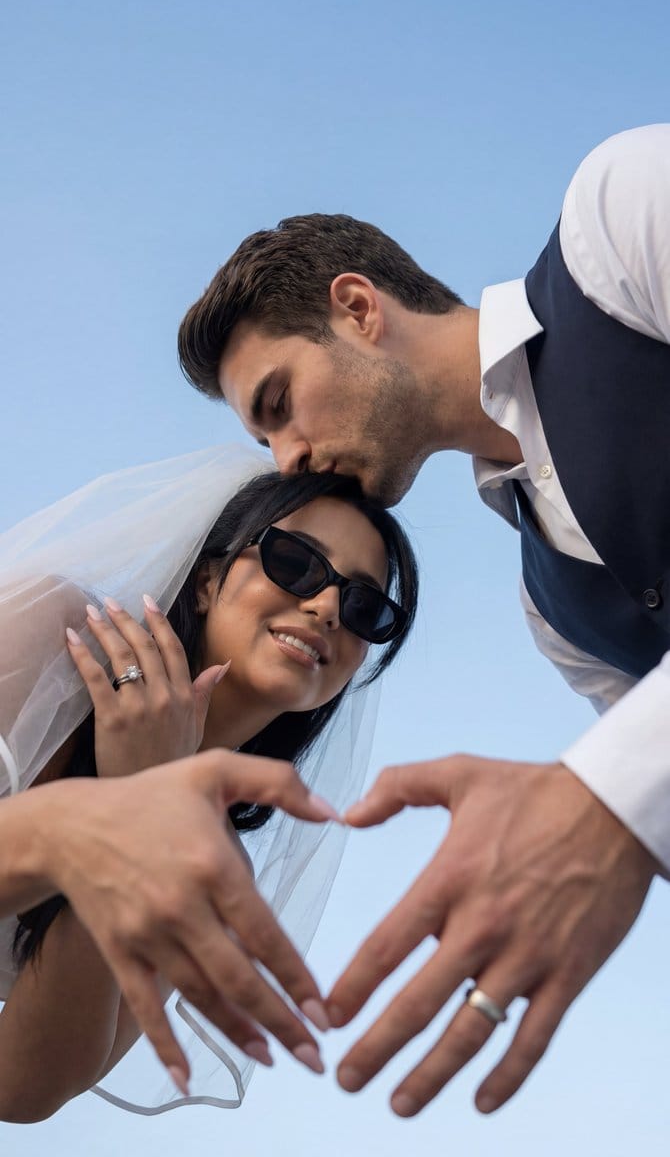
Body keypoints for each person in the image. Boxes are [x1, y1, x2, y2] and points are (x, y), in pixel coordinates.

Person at [177, 123, 670, 1118]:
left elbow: (627, 806)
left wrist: (607, 798)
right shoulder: (555, 614)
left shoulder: (620, 215)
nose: (287, 457)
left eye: (278, 402)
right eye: (266, 439)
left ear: (358, 309)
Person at [0, 446, 417, 1120]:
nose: (327, 607)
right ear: (206, 580)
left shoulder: (218, 866)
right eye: (296, 563)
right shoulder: (50, 639)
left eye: (366, 605)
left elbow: (22, 1087)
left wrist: (143, 804)